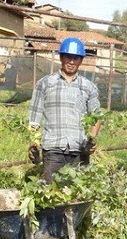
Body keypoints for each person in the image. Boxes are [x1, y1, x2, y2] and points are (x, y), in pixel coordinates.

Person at [27, 37, 101, 183]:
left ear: (81, 60)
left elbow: (96, 116)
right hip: (53, 148)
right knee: (53, 191)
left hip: (80, 149)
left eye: (76, 58)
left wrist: (92, 139)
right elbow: (34, 116)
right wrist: (33, 143)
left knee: (78, 192)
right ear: (61, 57)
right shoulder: (45, 83)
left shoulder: (88, 87)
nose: (71, 61)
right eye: (68, 57)